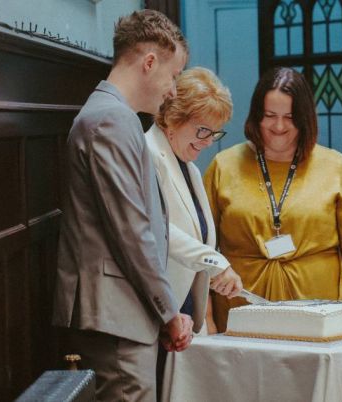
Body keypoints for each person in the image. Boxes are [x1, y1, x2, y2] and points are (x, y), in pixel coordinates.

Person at [52, 10, 192, 401]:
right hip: (114, 320)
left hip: (123, 316)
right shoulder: (111, 120)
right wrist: (168, 311)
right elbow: (132, 231)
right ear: (149, 63)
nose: (173, 90)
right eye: (174, 74)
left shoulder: (117, 118)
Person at [204, 67, 342, 332]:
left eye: (289, 117)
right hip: (240, 311)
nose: (278, 126)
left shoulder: (334, 167)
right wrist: (206, 318)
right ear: (256, 116)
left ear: (304, 118)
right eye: (270, 116)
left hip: (320, 318)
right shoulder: (224, 166)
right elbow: (200, 247)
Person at [145, 67, 243, 397]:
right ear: (173, 116)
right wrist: (215, 262)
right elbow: (156, 229)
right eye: (202, 130)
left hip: (185, 311)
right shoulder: (149, 153)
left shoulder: (188, 163)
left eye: (215, 134)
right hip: (158, 310)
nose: (207, 142)